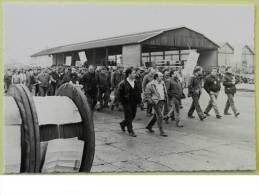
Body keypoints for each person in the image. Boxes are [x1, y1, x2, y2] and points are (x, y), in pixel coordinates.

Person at [117, 67, 142, 137]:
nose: (135, 74)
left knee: (133, 115)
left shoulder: (136, 82)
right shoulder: (123, 83)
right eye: (133, 73)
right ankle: (130, 131)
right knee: (128, 116)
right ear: (129, 74)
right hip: (127, 102)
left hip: (134, 102)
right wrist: (122, 102)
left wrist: (140, 101)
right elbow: (119, 94)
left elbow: (138, 92)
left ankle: (123, 124)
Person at [144, 72, 168, 137]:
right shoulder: (150, 84)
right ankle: (162, 131)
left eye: (162, 76)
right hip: (155, 102)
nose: (162, 77)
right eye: (160, 76)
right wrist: (151, 101)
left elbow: (164, 91)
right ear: (156, 77)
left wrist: (165, 98)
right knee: (160, 116)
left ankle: (149, 126)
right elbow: (147, 94)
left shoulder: (162, 83)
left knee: (156, 115)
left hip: (162, 101)